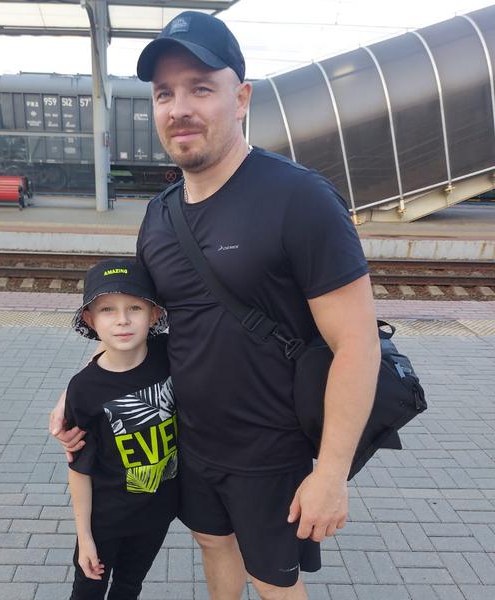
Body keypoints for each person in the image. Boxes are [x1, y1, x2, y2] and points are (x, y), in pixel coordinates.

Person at [51, 11, 381, 600]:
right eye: (165, 93)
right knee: (211, 542)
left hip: (271, 448)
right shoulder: (159, 216)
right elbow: (148, 323)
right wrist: (85, 384)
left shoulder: (299, 198)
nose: (179, 108)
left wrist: (331, 474)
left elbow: (356, 342)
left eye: (201, 88)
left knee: (273, 581)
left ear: (241, 98)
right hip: (192, 439)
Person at [64, 259, 178, 600]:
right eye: (107, 310)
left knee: (129, 587)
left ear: (154, 314)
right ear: (90, 319)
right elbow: (78, 468)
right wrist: (85, 537)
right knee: (88, 592)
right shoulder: (84, 389)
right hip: (105, 520)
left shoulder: (169, 353)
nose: (122, 320)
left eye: (135, 308)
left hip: (157, 514)